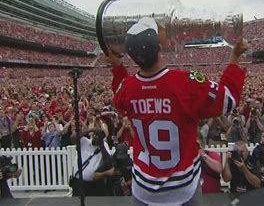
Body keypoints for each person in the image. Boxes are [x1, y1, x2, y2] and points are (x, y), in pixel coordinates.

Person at [105, 17, 248, 205]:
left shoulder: (127, 88)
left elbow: (120, 96)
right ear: (158, 48)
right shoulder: (186, 83)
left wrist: (118, 68)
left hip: (144, 188)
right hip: (183, 188)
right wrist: (234, 56)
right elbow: (228, 99)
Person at [70, 128, 115, 196]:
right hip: (78, 182)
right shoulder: (84, 141)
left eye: (98, 136)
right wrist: (90, 129)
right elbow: (72, 138)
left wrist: (101, 144)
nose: (96, 137)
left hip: (93, 185)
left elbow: (108, 160)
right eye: (95, 135)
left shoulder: (103, 146)